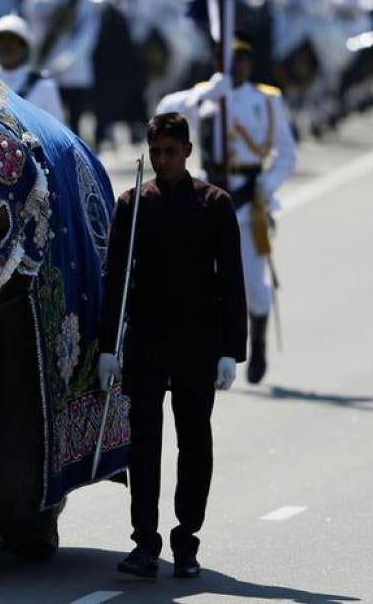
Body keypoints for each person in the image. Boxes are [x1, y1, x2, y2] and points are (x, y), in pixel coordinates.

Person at [98, 113, 247, 579]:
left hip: (197, 344)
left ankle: (186, 540)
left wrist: (230, 349)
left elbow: (232, 280)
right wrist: (108, 347)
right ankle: (145, 542)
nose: (163, 160)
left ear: (187, 151)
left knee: (195, 443)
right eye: (156, 152)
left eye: (171, 151)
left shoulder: (215, 204)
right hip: (145, 342)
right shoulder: (132, 203)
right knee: (143, 445)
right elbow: (116, 279)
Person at [156, 38, 297, 384]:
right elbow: (162, 115)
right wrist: (204, 95)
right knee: (201, 281)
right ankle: (210, 352)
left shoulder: (266, 100)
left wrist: (267, 185)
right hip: (209, 197)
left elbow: (287, 153)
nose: (236, 65)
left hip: (250, 199)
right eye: (229, 58)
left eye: (242, 58)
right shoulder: (204, 96)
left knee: (255, 289)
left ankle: (257, 339)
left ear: (251, 63)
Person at [18, 0, 101, 133]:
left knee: (75, 122)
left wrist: (68, 60)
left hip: (76, 72)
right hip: (44, 68)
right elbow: (31, 31)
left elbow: (88, 35)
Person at [0, 12, 65, 122]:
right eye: (1, 41)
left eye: (13, 41)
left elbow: (57, 125)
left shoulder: (43, 85)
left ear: (24, 47)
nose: (7, 46)